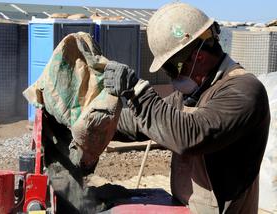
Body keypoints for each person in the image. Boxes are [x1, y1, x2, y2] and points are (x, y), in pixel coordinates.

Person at [103, 2, 270, 213]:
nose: (171, 76)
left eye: (171, 68)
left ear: (198, 57)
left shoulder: (243, 91)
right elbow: (140, 121)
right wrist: (91, 119)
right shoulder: (195, 92)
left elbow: (190, 135)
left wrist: (137, 92)